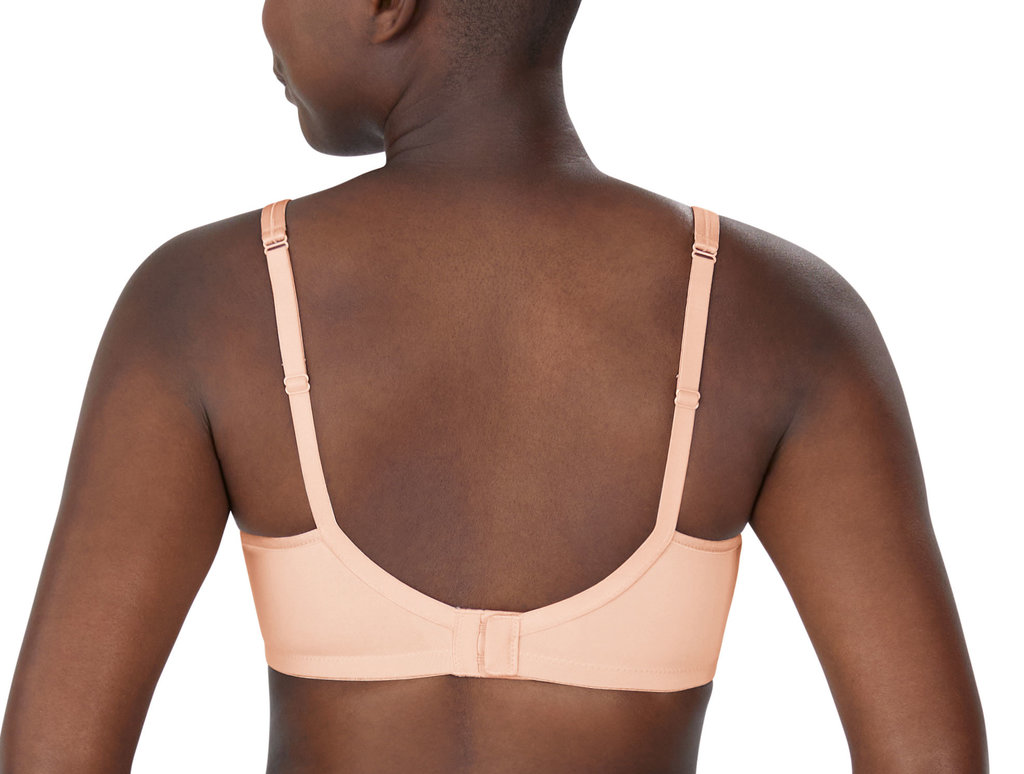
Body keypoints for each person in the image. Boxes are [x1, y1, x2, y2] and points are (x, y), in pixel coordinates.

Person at [0, 0, 988, 772]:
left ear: (389, 4)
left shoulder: (202, 307)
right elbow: (930, 761)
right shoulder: (783, 318)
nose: (261, 17)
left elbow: (55, 758)